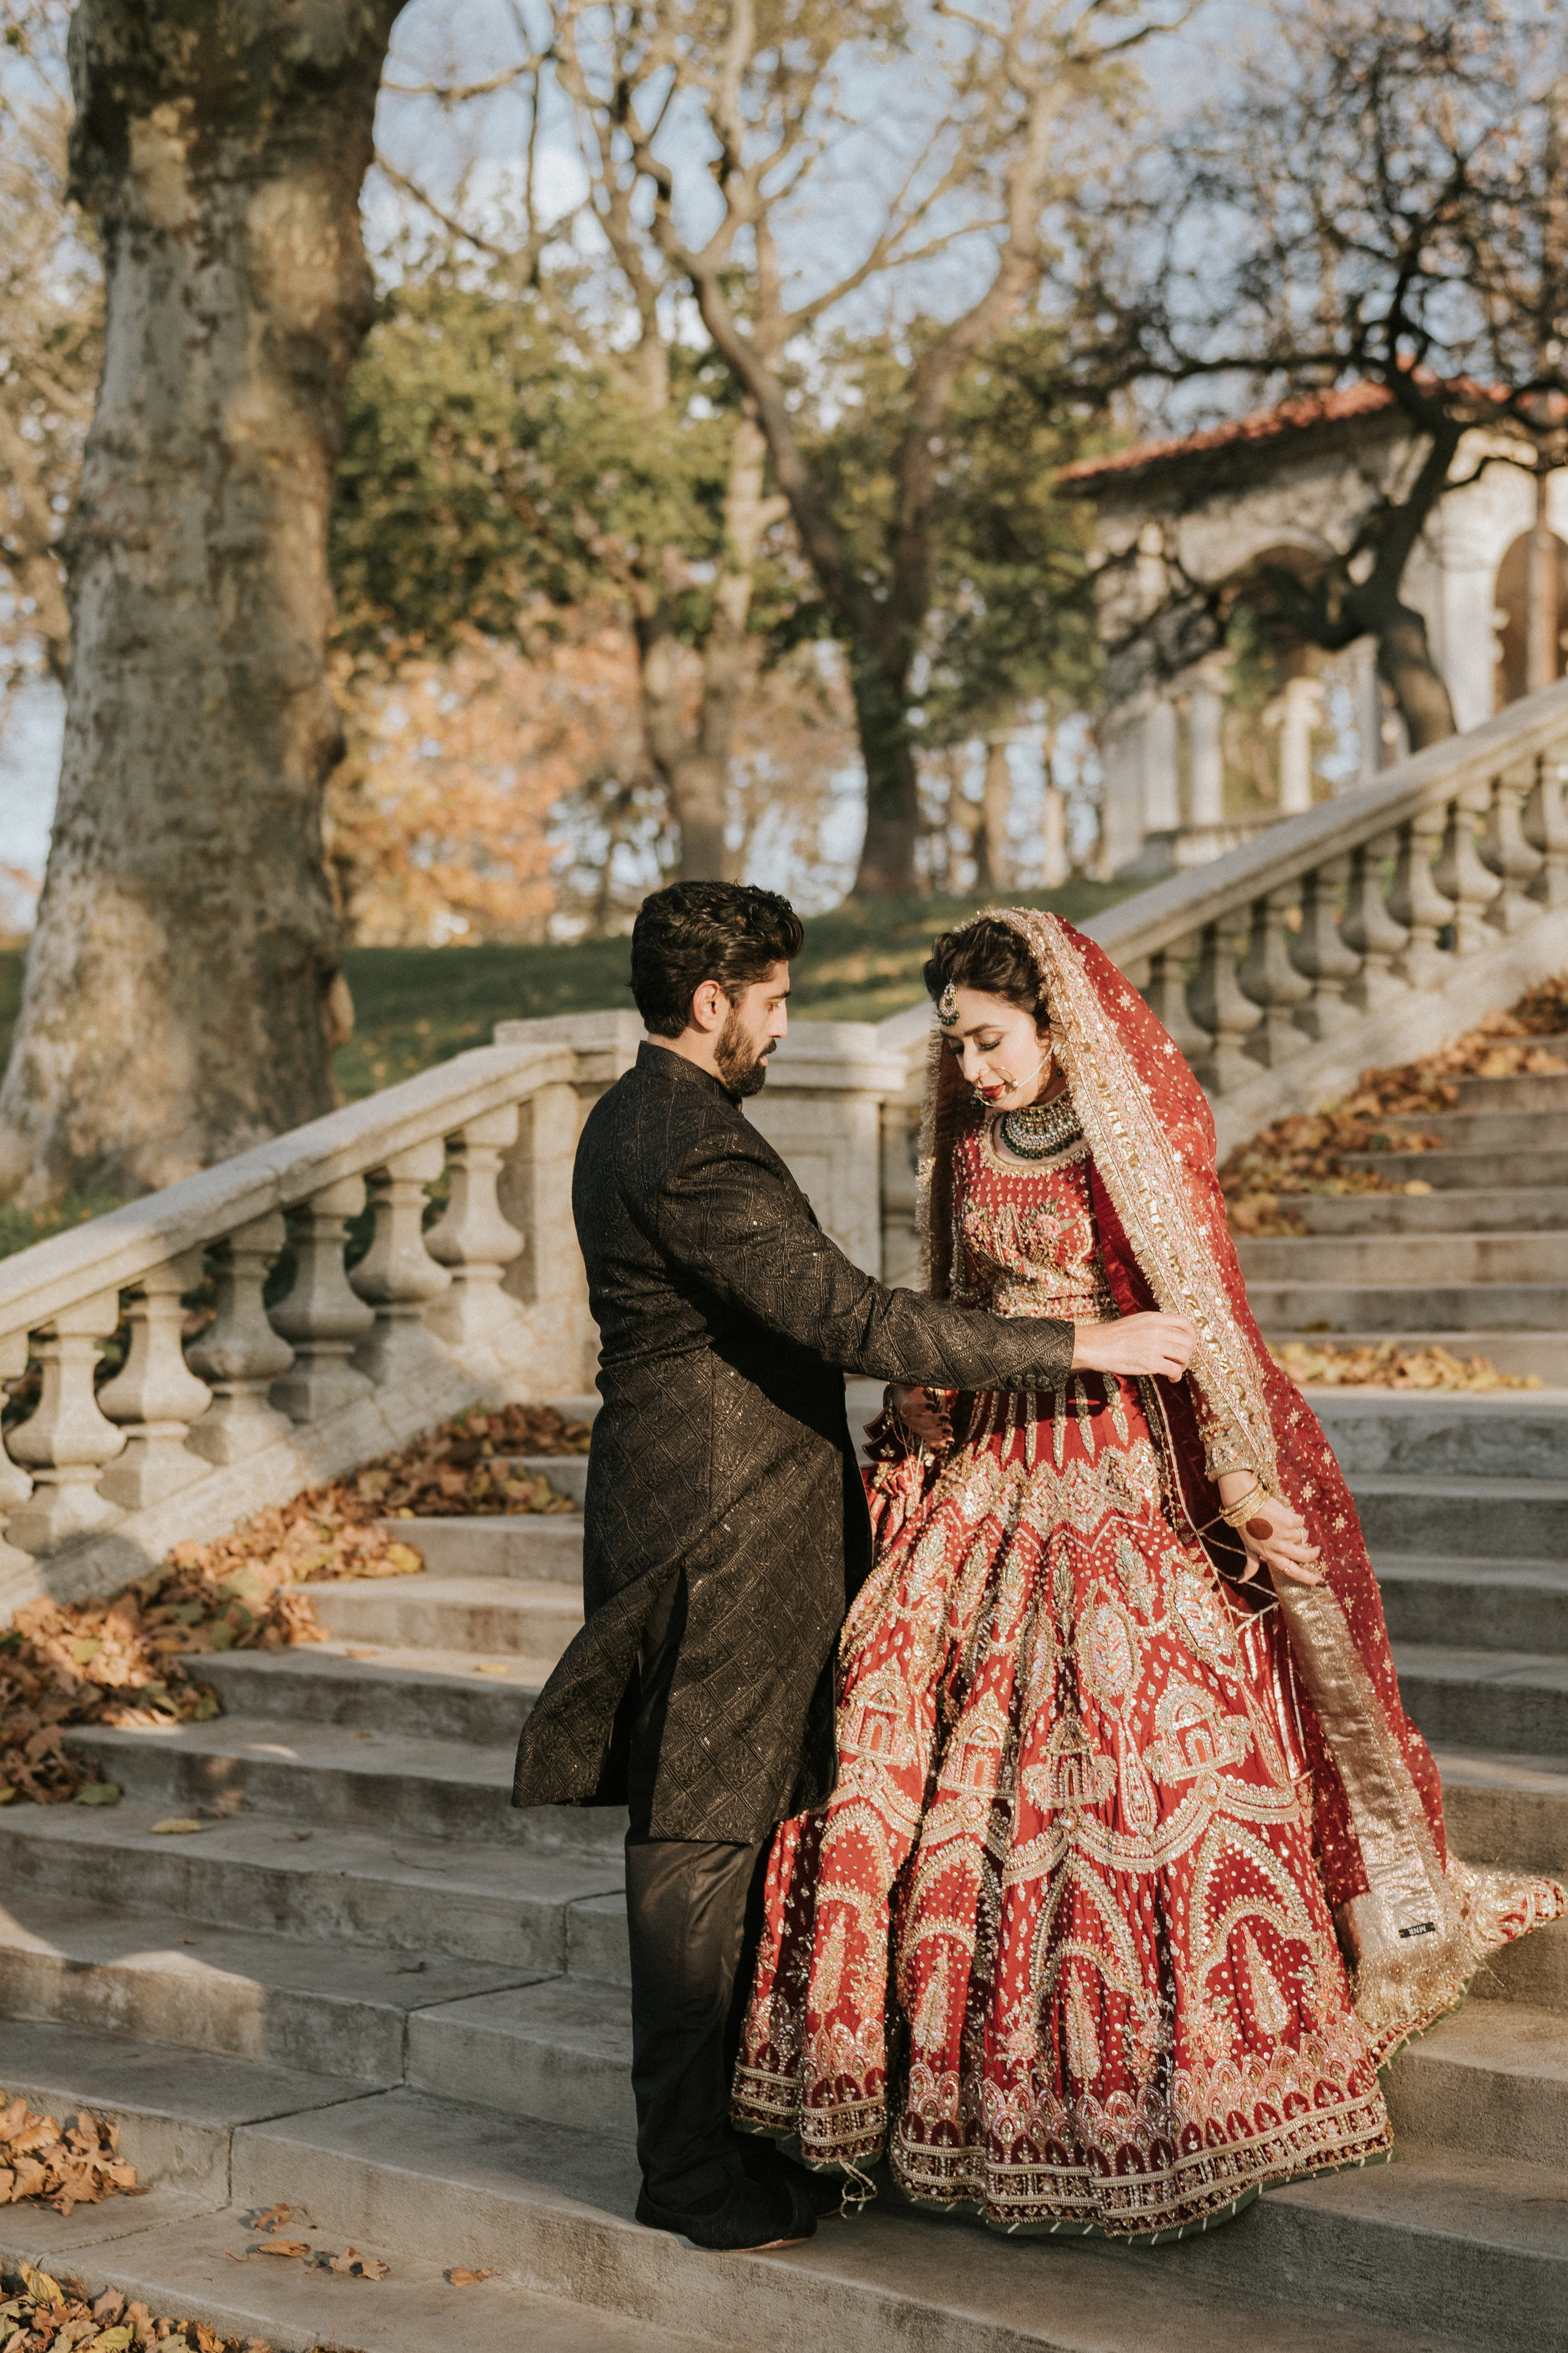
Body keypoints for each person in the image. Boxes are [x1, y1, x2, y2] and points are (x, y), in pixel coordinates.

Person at [733, 907, 1564, 2244]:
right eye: (958, 1045)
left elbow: (1203, 1315)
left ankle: (1180, 2086)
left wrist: (1242, 1476)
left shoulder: (1128, 1134)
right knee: (902, 1711)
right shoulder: (969, 1145)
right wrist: (926, 1402)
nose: (974, 1069)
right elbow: (958, 1302)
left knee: (1125, 1734)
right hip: (994, 1465)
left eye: (992, 1040)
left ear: (1056, 1024)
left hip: (1118, 1465)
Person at [511, 882, 1198, 2254]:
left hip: (687, 1497)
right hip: (720, 1522)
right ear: (710, 1001)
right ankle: (686, 2175)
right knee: (699, 1835)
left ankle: (719, 2141)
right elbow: (848, 1315)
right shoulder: (689, 1143)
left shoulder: (629, 1116)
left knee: (716, 1821)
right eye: (770, 1002)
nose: (780, 1026)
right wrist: (1080, 1345)